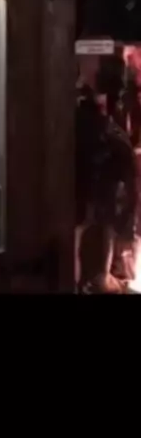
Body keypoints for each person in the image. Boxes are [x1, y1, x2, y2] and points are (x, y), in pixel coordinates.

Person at [75, 85, 138, 293]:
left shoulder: (103, 129)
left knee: (84, 228)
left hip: (92, 183)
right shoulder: (112, 132)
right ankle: (100, 275)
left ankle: (97, 276)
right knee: (99, 225)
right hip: (99, 182)